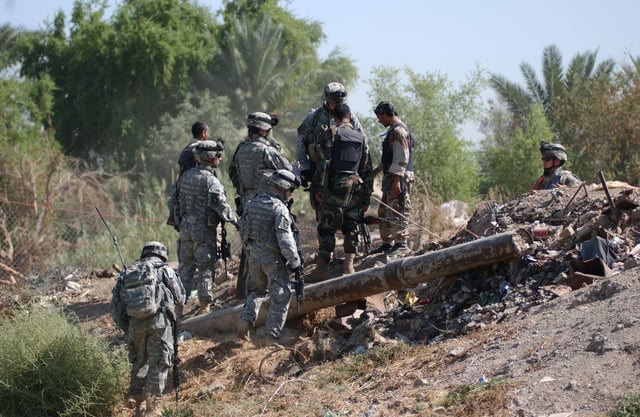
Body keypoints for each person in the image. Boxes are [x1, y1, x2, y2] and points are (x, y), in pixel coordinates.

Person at [110, 241, 186, 417]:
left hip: (135, 325)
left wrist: (128, 328)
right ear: (162, 255)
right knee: (159, 363)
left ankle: (139, 406)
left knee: (139, 362)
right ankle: (152, 409)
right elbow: (180, 297)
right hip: (159, 323)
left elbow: (115, 309)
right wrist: (175, 317)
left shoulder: (127, 274)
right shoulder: (165, 270)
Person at [295, 82, 366, 271]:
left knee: (344, 220)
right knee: (325, 219)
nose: (335, 105)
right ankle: (327, 259)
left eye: (338, 102)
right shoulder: (314, 117)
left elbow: (361, 146)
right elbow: (301, 142)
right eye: (333, 101)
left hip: (340, 175)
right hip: (321, 172)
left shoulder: (351, 119)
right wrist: (302, 169)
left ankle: (338, 262)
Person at [229, 112, 295, 298]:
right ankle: (275, 290)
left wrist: (244, 191)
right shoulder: (267, 151)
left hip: (247, 204)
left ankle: (249, 291)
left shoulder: (240, 150)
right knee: (275, 245)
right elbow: (287, 172)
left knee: (250, 248)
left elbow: (233, 173)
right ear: (264, 130)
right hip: (268, 204)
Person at [168, 139, 238, 313]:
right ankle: (205, 307)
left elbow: (173, 203)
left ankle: (177, 309)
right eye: (218, 156)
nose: (220, 159)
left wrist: (180, 222)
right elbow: (221, 207)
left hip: (185, 230)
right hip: (203, 232)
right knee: (206, 268)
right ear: (210, 157)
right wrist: (239, 222)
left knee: (185, 270)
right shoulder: (211, 182)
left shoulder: (184, 177)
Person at [237, 169, 301, 344]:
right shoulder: (278, 208)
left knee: (256, 292)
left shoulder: (252, 204)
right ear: (284, 187)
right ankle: (271, 337)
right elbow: (285, 238)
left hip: (254, 257)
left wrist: (251, 252)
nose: (291, 194)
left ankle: (245, 323)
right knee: (281, 296)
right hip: (272, 259)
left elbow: (243, 232)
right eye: (291, 190)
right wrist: (295, 261)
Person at [313, 103, 373, 275]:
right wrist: (366, 198)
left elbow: (323, 164)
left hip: (334, 187)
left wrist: (318, 189)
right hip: (355, 188)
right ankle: (349, 265)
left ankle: (321, 268)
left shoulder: (331, 133)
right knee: (351, 226)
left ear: (335, 118)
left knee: (326, 227)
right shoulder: (361, 137)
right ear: (350, 116)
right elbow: (367, 169)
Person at [372, 101, 415, 257]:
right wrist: (375, 171)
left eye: (379, 117)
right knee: (385, 212)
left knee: (398, 210)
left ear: (385, 114)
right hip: (390, 178)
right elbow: (388, 159)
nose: (379, 121)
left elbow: (401, 158)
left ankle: (401, 244)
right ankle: (388, 243)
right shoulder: (392, 131)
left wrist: (397, 181)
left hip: (398, 179)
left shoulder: (399, 132)